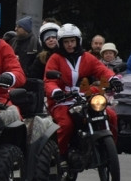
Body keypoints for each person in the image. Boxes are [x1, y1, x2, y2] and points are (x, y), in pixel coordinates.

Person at [44, 23, 120, 159]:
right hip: (62, 100)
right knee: (66, 125)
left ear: (78, 41)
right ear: (61, 43)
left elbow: (101, 70)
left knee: (111, 115)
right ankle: (58, 157)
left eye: (72, 41)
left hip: (85, 96)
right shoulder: (55, 58)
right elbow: (49, 81)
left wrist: (114, 79)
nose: (69, 45)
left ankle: (110, 151)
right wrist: (55, 91)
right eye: (66, 42)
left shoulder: (86, 57)